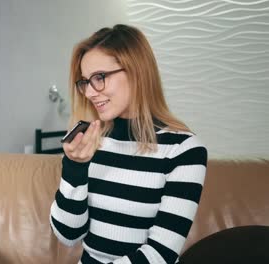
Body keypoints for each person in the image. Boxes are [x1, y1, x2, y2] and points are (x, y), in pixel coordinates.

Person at [49, 24, 208, 264]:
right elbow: (67, 235)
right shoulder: (89, 141)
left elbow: (160, 254)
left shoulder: (184, 149)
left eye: (99, 77)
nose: (90, 92)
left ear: (136, 72)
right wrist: (75, 167)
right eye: (85, 82)